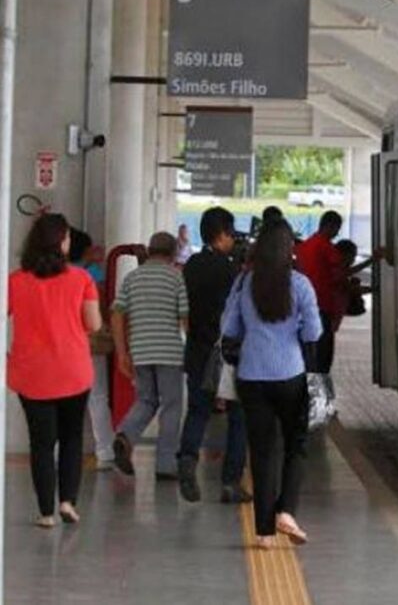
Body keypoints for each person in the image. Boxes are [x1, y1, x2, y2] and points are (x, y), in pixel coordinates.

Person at [222, 221, 322, 549]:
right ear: (289, 249)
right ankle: (287, 511)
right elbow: (313, 334)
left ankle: (264, 532)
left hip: (251, 376)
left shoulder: (243, 283)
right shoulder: (301, 285)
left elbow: (229, 327)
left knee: (263, 451)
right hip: (290, 376)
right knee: (296, 444)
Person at [6, 214, 102, 526]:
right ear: (62, 242)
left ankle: (46, 512)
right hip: (73, 370)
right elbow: (94, 324)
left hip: (30, 373)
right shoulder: (81, 279)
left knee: (41, 443)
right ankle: (67, 502)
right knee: (72, 438)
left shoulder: (16, 281)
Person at [178, 207, 250, 504]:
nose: (233, 240)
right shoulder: (232, 271)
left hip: (197, 350)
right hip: (229, 353)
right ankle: (230, 483)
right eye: (231, 234)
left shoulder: (192, 265)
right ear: (222, 235)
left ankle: (187, 459)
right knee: (238, 416)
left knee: (197, 411)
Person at [110, 232, 189, 480]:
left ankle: (125, 435)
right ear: (173, 253)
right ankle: (165, 464)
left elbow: (117, 314)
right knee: (172, 406)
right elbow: (185, 318)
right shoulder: (176, 279)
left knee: (146, 400)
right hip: (169, 352)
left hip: (140, 350)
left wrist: (122, 352)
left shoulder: (132, 278)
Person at [68, 231, 115, 471]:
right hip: (91, 341)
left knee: (63, 398)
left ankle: (59, 452)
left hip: (65, 343)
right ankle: (105, 451)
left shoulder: (57, 272)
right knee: (98, 397)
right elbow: (102, 304)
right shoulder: (92, 274)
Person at [294, 211, 343, 375]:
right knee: (322, 361)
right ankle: (319, 398)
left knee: (308, 358)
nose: (337, 233)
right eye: (337, 229)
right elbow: (339, 278)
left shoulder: (303, 246)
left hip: (302, 309)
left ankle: (305, 397)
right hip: (322, 307)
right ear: (330, 226)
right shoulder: (328, 248)